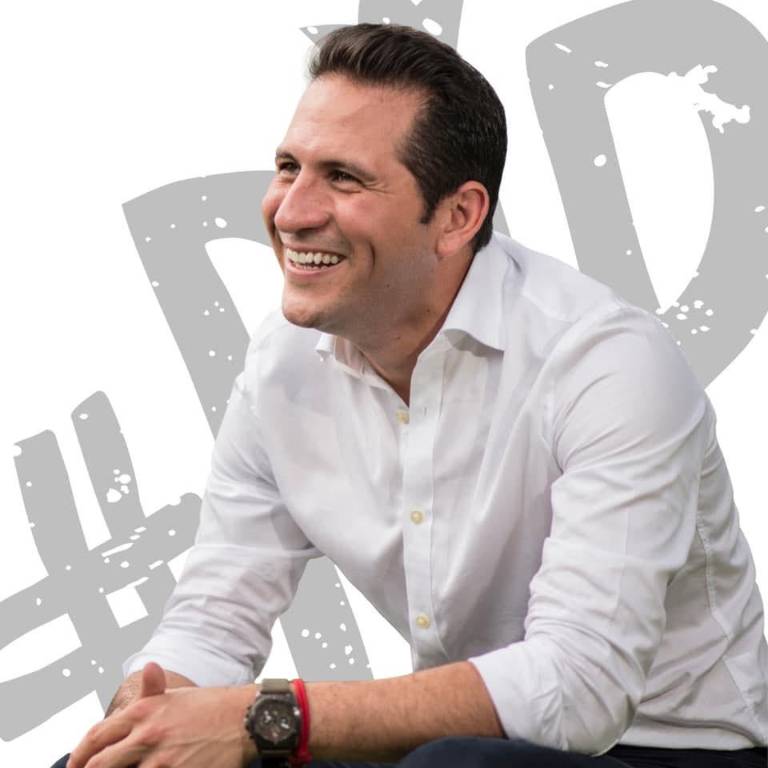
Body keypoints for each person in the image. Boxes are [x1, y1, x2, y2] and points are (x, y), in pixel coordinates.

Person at [58, 23, 767, 768]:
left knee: (448, 765)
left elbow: (579, 690)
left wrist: (263, 718)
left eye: (344, 178)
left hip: (670, 750)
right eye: (288, 167)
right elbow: (211, 622)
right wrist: (143, 722)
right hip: (459, 749)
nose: (291, 212)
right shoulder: (281, 362)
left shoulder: (608, 363)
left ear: (458, 217)